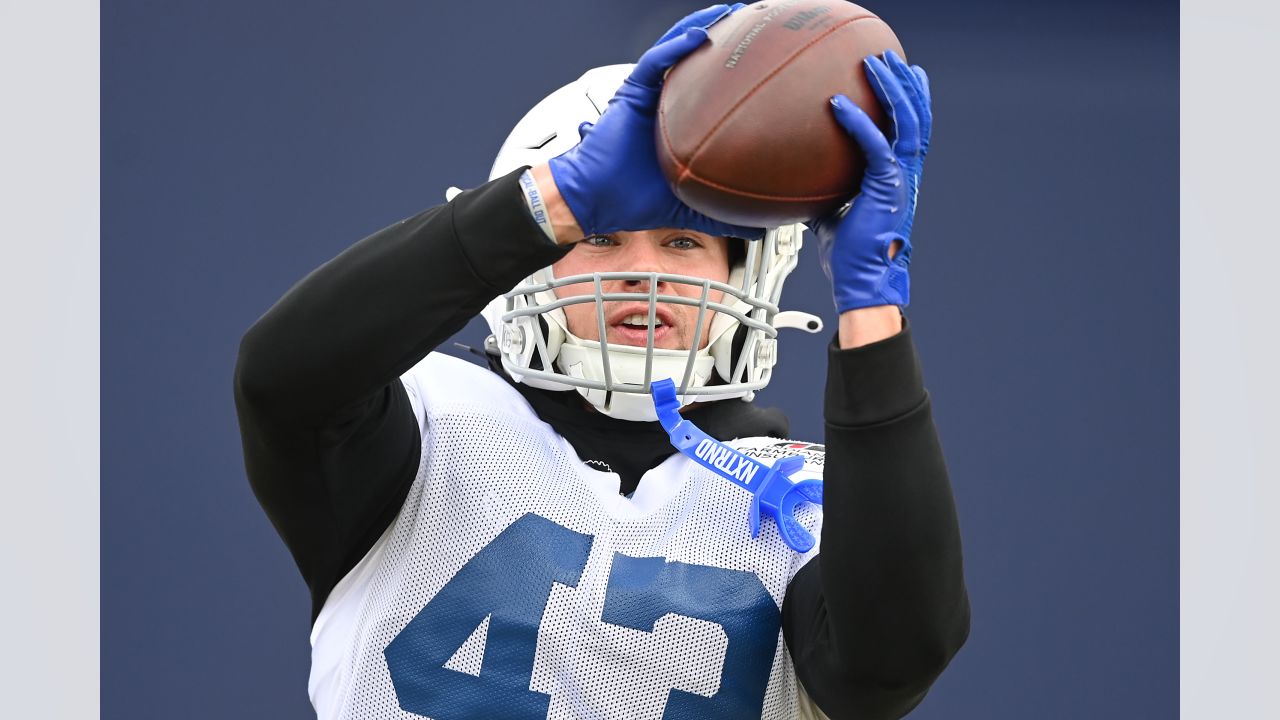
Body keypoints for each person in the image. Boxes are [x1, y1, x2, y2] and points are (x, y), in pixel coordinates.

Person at [234, 5, 969, 719]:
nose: (642, 270)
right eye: (603, 236)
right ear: (532, 260)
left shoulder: (806, 499)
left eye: (684, 243)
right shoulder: (426, 428)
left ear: (752, 274)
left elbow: (894, 663)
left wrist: (873, 307)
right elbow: (283, 378)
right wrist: (556, 198)